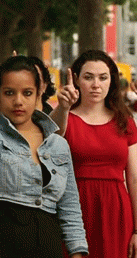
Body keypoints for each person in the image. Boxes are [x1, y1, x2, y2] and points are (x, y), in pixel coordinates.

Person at [0, 56, 88, 257]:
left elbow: (70, 207)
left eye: (27, 93)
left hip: (48, 243)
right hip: (1, 243)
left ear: (38, 94)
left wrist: (77, 252)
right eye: (9, 93)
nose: (18, 101)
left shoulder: (58, 145)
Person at [51, 50, 137, 258]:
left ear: (112, 82)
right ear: (77, 80)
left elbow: (134, 178)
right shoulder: (65, 117)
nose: (96, 84)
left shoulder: (125, 121)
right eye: (88, 77)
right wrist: (63, 108)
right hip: (73, 210)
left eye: (103, 77)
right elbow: (50, 134)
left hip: (116, 211)